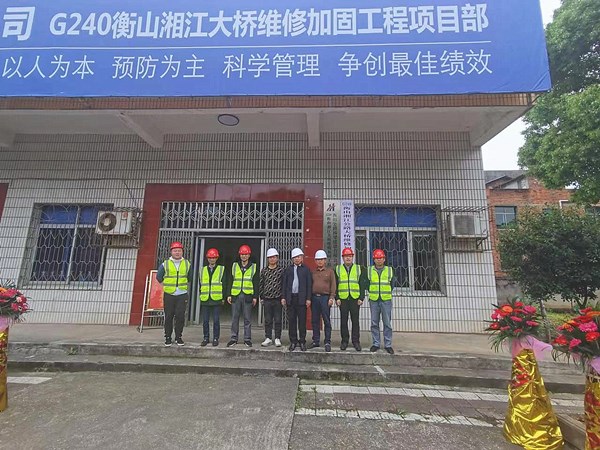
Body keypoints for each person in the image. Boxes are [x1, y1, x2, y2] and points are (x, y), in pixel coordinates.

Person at [156, 241, 190, 347]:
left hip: (182, 294)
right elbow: (159, 277)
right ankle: (168, 337)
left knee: (180, 317)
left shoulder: (187, 264)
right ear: (171, 252)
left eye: (179, 250)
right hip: (169, 294)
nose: (177, 252)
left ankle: (178, 337)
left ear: (182, 252)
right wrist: (167, 286)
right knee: (169, 317)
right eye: (175, 251)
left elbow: (190, 277)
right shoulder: (165, 264)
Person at [335, 247, 368, 351]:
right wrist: (337, 298)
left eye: (350, 256)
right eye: (346, 256)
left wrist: (361, 297)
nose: (348, 258)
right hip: (343, 299)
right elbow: (335, 284)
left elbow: (362, 284)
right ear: (342, 258)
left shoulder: (359, 268)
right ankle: (344, 341)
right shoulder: (337, 269)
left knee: (355, 321)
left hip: (355, 299)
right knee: (343, 321)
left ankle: (356, 341)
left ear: (353, 257)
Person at [227, 244, 259, 348]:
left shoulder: (253, 267)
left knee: (247, 319)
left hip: (247, 296)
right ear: (239, 255)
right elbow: (230, 280)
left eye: (245, 254)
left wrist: (255, 296)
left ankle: (247, 339)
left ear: (249, 255)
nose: (244, 256)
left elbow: (255, 282)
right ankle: (233, 338)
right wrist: (228, 294)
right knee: (234, 318)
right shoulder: (234, 266)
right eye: (242, 254)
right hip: (235, 295)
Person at [282, 248, 312, 351]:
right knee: (292, 321)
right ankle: (293, 341)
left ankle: (302, 341)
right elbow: (284, 284)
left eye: (298, 257)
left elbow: (309, 285)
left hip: (302, 299)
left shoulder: (306, 270)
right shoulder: (288, 269)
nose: (297, 259)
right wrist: (283, 297)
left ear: (302, 258)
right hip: (291, 298)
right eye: (295, 257)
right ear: (292, 259)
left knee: (302, 322)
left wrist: (308, 299)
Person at [367, 249, 395, 354]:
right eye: (377, 258)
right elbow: (367, 284)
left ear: (384, 259)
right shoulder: (369, 270)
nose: (379, 260)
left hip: (386, 300)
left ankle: (388, 344)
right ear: (374, 259)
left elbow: (392, 284)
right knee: (374, 323)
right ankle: (376, 343)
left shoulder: (389, 270)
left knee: (387, 323)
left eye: (381, 258)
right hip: (374, 300)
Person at [199, 248, 227, 347]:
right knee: (205, 321)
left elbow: (224, 284)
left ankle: (215, 338)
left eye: (214, 257)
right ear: (207, 258)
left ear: (217, 258)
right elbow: (200, 284)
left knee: (216, 321)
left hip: (216, 299)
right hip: (205, 299)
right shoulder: (202, 270)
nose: (212, 259)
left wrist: (223, 298)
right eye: (210, 257)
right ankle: (206, 338)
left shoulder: (221, 269)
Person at [309, 250, 336, 352]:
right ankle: (316, 340)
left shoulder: (330, 272)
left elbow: (333, 285)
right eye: (318, 259)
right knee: (315, 320)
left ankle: (327, 341)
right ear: (315, 261)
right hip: (314, 298)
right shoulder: (313, 272)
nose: (320, 261)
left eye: (322, 259)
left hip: (325, 298)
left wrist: (331, 297)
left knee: (326, 320)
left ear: (325, 260)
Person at [259, 248, 284, 348]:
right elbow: (261, 284)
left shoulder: (281, 270)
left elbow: (283, 284)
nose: (272, 259)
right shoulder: (264, 270)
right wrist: (261, 296)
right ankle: (268, 337)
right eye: (270, 257)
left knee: (278, 320)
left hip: (277, 299)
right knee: (268, 320)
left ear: (277, 258)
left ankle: (277, 338)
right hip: (267, 299)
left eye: (274, 257)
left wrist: (283, 297)